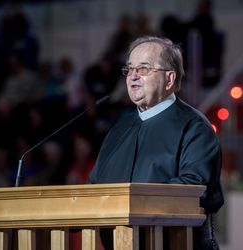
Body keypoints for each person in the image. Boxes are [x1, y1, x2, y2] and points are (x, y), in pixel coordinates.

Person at [89, 36, 224, 250]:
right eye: (129, 69)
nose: (132, 76)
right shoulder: (118, 131)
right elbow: (94, 188)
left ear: (169, 79)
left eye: (143, 69)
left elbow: (196, 188)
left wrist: (131, 202)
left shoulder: (194, 126)